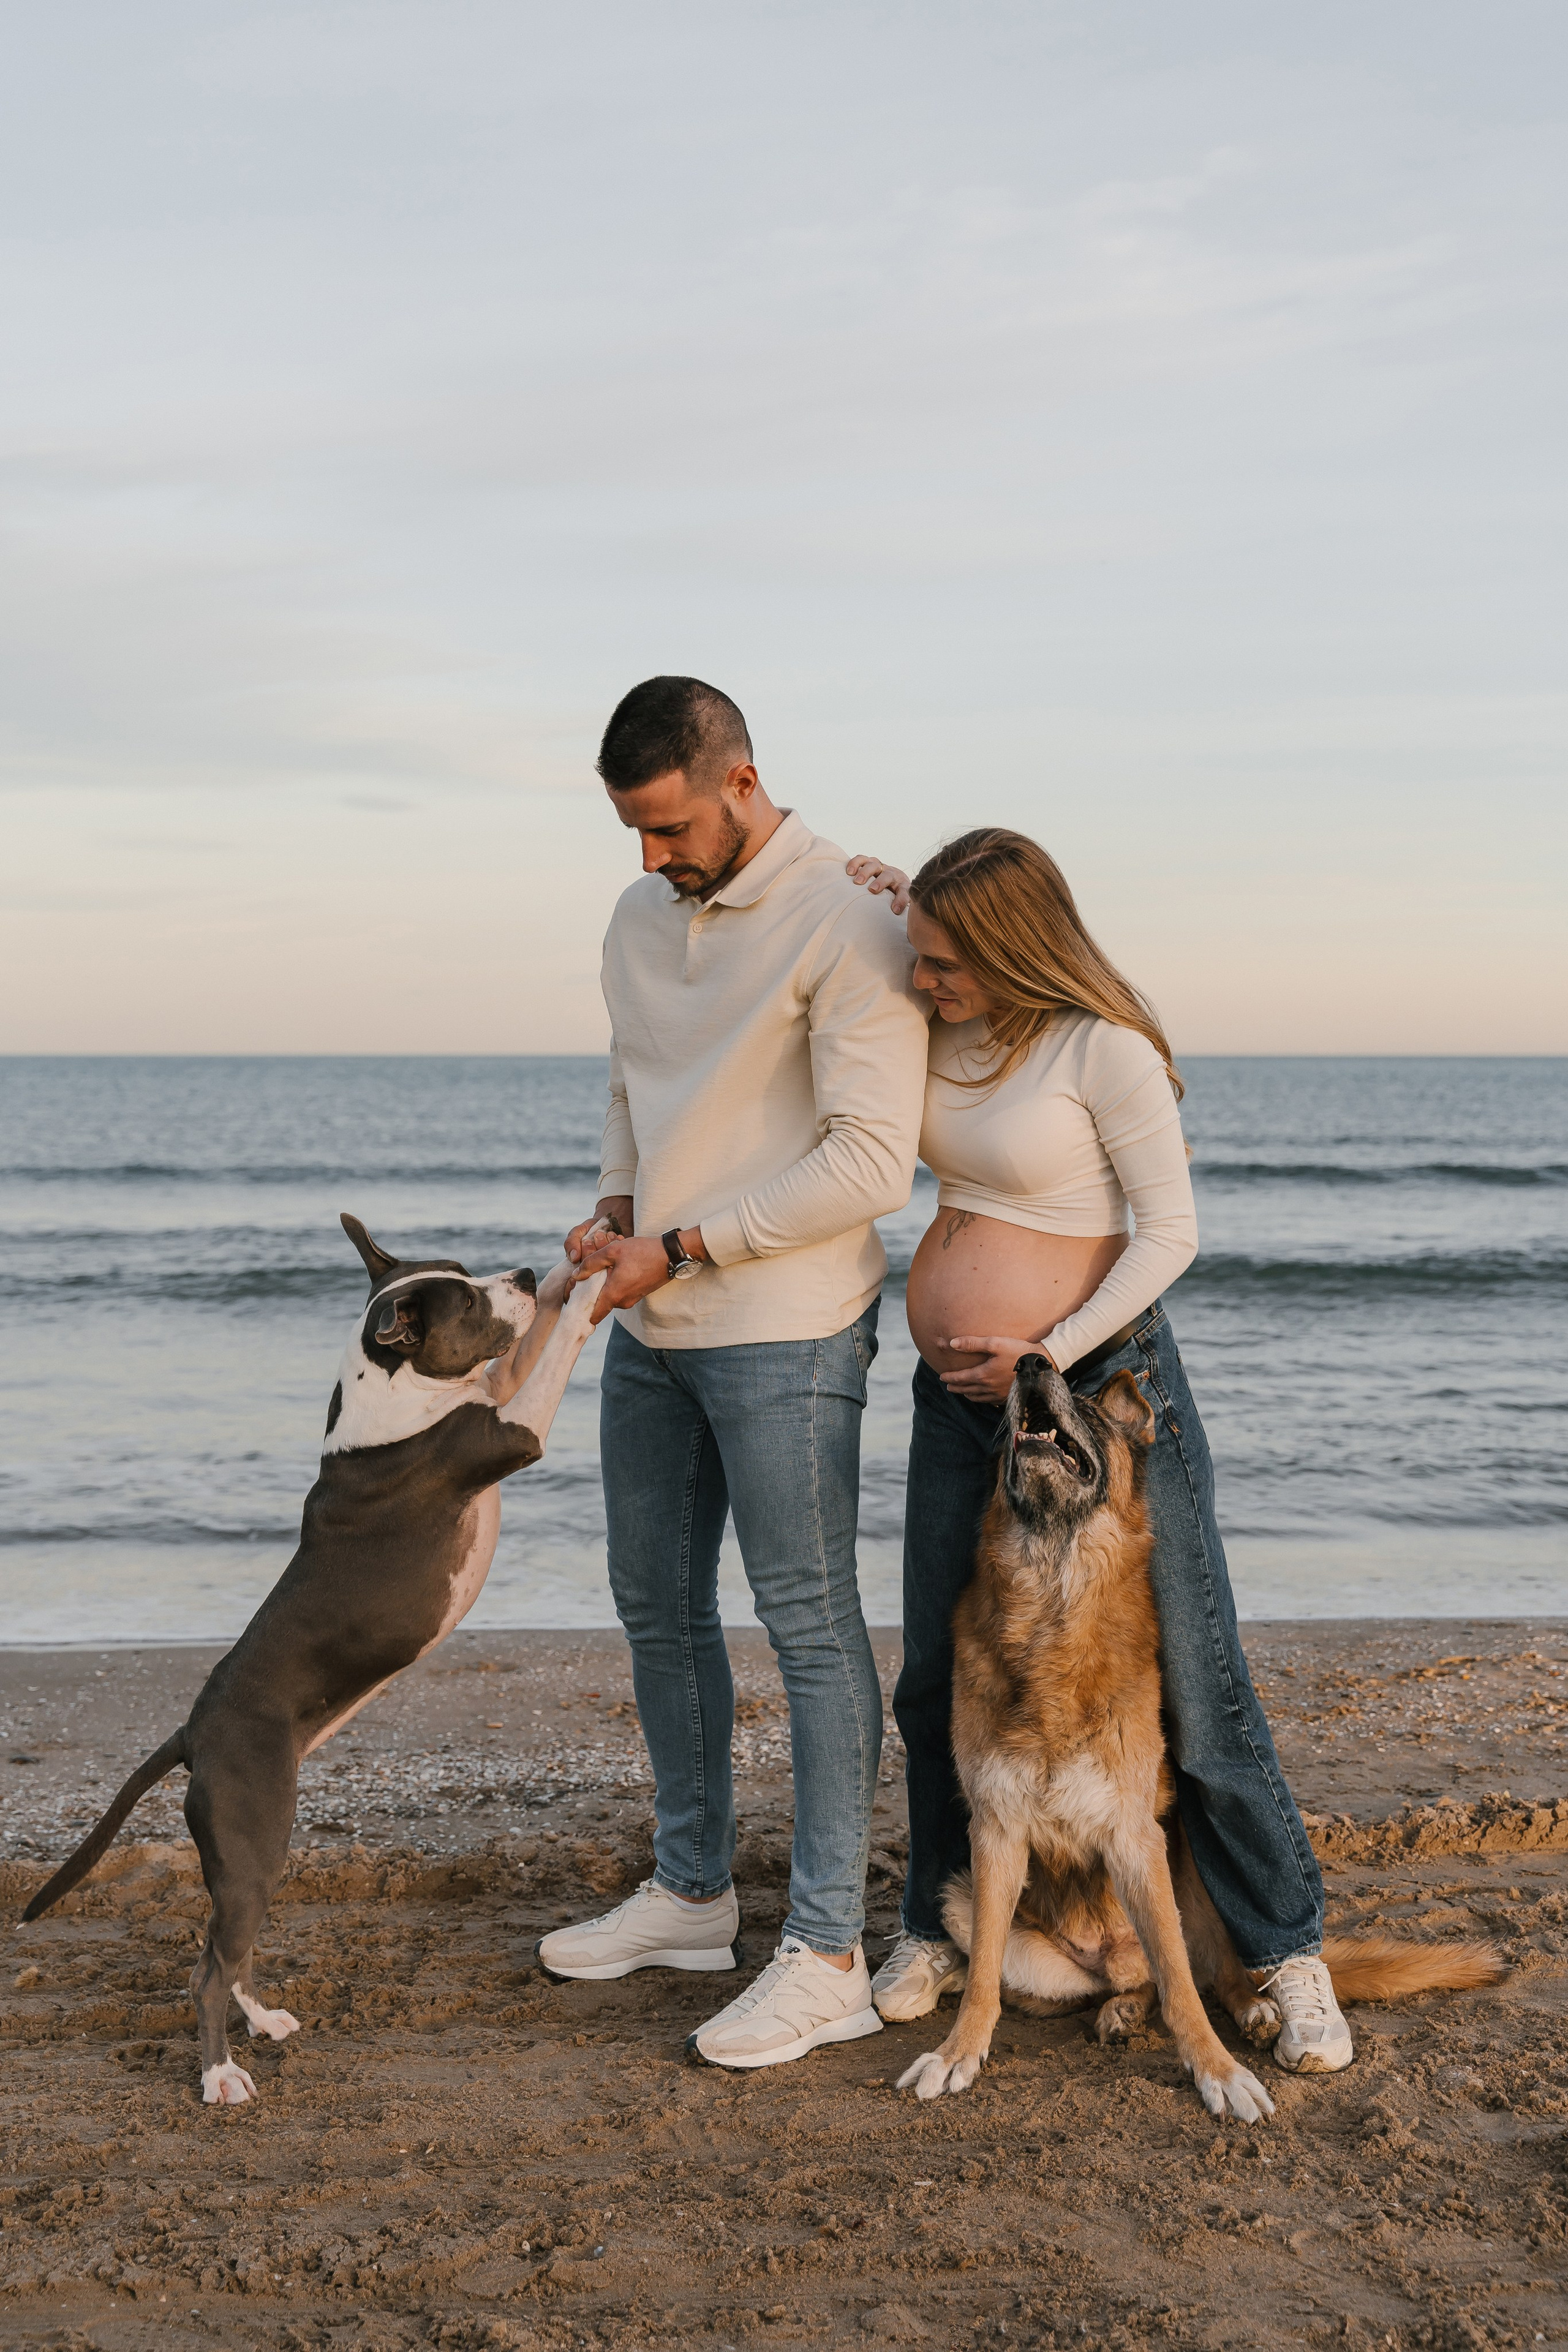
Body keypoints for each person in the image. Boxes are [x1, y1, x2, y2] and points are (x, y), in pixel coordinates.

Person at [844, 827, 1352, 2074]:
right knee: (940, 1677)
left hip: (1100, 1394)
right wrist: (888, 899)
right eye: (919, 958)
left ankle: (1287, 1949)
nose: (923, 980)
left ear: (1016, 949)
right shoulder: (949, 1023)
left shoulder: (1101, 1049)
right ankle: (937, 1926)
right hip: (956, 1403)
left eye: (945, 962)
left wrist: (1046, 1354)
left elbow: (1169, 1234)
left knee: (1198, 1681)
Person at [538, 676, 930, 2070]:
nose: (654, 856)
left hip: (789, 1328)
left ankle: (825, 1954)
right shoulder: (636, 918)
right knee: (655, 1604)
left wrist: (685, 1243)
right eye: (633, 832)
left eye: (672, 826)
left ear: (742, 782)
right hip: (654, 1323)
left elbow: (870, 1163)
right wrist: (618, 1210)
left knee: (809, 1627)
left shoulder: (851, 919)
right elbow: (632, 1081)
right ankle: (694, 1896)